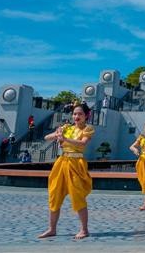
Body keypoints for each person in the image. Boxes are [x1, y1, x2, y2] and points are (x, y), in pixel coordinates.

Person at [38, 102, 94, 239]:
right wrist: (57, 134)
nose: (76, 116)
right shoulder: (67, 127)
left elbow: (83, 143)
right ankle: (52, 229)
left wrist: (65, 139)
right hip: (62, 163)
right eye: (75, 113)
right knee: (54, 193)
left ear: (86, 115)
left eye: (80, 114)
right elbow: (46, 137)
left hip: (76, 164)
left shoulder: (87, 129)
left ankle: (84, 229)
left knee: (77, 195)